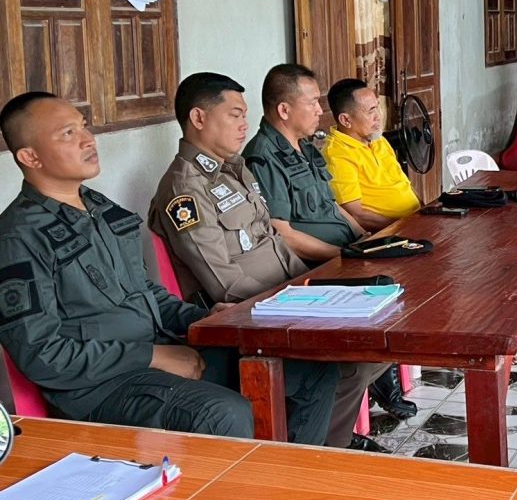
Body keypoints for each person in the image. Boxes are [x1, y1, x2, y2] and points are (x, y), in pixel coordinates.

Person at [0, 93, 263, 440]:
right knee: (222, 413)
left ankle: (302, 470)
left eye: (84, 127)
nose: (88, 140)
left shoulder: (100, 208)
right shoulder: (18, 237)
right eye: (67, 134)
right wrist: (152, 357)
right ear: (30, 157)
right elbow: (43, 354)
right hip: (100, 388)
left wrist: (204, 320)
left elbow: (146, 294)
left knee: (296, 367)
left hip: (157, 351)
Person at [148, 73, 389, 451]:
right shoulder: (185, 188)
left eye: (245, 115)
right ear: (198, 118)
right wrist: (296, 302)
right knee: (346, 363)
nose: (244, 124)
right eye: (234, 115)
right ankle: (311, 456)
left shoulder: (236, 169)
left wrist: (315, 287)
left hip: (287, 294)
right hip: (250, 317)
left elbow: (273, 242)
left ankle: (328, 447)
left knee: (378, 332)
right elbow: (224, 284)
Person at [242, 64, 417, 420]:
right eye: (312, 102)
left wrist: (361, 239)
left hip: (343, 252)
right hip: (315, 267)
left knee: (405, 278)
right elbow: (282, 233)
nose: (320, 111)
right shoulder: (264, 157)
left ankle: (376, 381)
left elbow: (334, 207)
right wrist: (343, 254)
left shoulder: (305, 148)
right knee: (386, 295)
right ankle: (346, 418)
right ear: (284, 110)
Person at [321, 79, 420, 233]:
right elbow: (357, 215)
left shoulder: (377, 139)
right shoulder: (337, 154)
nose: (378, 116)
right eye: (370, 111)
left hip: (416, 221)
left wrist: (425, 211)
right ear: (346, 120)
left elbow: (404, 184)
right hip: (391, 234)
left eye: (377, 107)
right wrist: (405, 227)